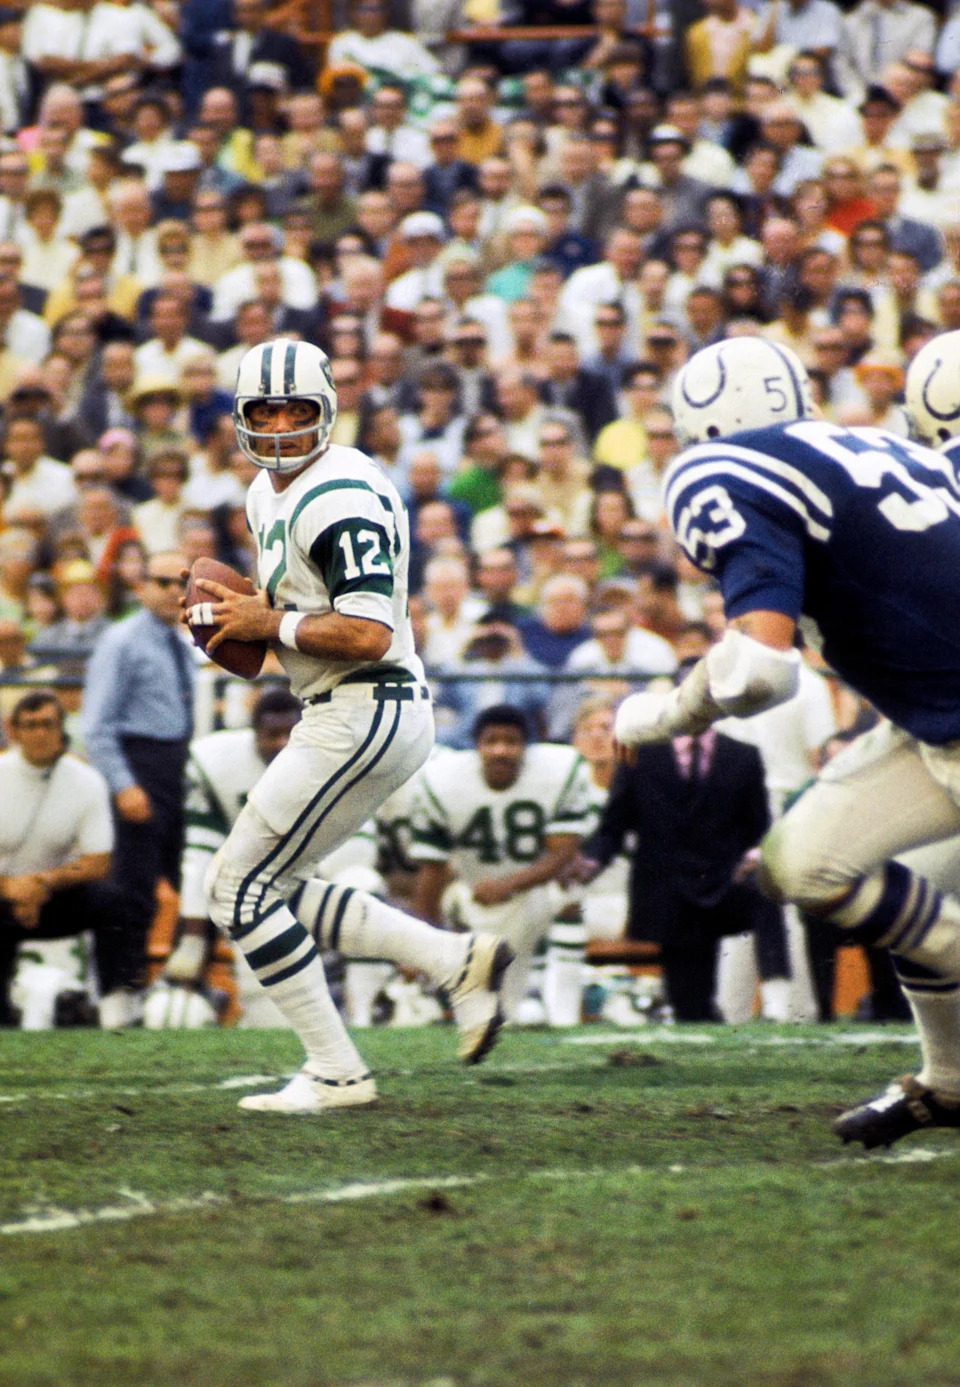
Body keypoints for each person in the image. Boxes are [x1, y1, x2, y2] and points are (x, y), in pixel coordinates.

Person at [612, 333, 960, 1148]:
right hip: (935, 723)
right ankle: (950, 1081)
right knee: (804, 862)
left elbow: (763, 671)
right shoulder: (883, 448)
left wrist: (663, 714)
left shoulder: (719, 467)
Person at [185, 338, 513, 1114]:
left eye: (296, 409)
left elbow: (365, 631)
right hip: (350, 705)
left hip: (366, 701)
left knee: (235, 889)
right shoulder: (266, 493)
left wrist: (266, 622)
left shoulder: (340, 494)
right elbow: (297, 616)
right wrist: (243, 619)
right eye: (265, 410)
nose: (279, 426)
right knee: (273, 885)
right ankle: (454, 959)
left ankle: (337, 1070)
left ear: (327, 411)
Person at [410, 704, 592, 1022]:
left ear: (526, 747)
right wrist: (419, 935)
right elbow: (433, 868)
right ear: (476, 746)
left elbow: (562, 852)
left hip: (533, 891)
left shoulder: (558, 770)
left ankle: (562, 1012)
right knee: (495, 1011)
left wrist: (507, 885)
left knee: (570, 894)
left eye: (511, 741)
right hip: (471, 893)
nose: (500, 750)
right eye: (491, 741)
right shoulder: (442, 780)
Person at [81, 549, 196, 1028]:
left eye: (182, 582)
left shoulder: (180, 642)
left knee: (164, 884)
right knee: (128, 888)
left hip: (172, 767)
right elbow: (96, 725)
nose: (174, 591)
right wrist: (124, 784)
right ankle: (114, 991)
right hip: (138, 763)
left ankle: (139, 985)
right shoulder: (122, 640)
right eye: (163, 581)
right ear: (141, 586)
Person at [0, 689, 120, 1028]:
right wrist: (10, 888)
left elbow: (99, 862)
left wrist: (41, 884)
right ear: (13, 730)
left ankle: (114, 1005)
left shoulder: (87, 781)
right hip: (3, 895)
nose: (40, 734)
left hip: (55, 894)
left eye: (48, 725)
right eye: (31, 725)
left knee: (113, 901)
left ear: (61, 729)